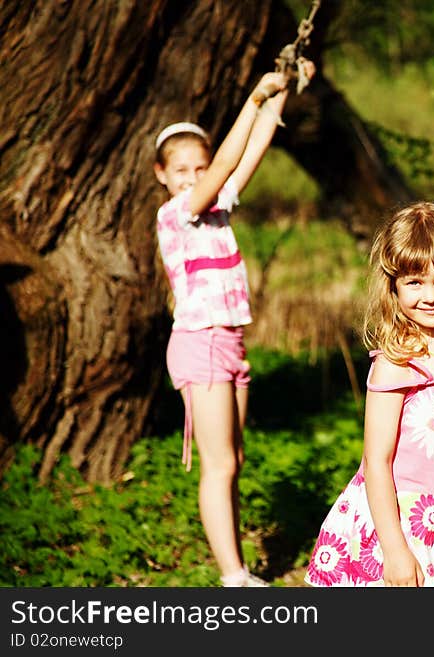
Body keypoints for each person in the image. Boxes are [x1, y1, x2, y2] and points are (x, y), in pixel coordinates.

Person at [153, 63, 315, 587]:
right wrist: (252, 97)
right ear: (162, 175)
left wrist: (281, 92)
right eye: (182, 171)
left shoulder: (218, 206)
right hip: (199, 342)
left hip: (230, 340)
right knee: (218, 464)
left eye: (200, 169)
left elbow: (252, 150)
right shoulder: (176, 213)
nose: (195, 178)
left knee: (234, 460)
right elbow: (226, 162)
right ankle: (233, 577)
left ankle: (239, 570)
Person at [305, 201, 434, 587]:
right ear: (394, 287)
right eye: (415, 283)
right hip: (388, 521)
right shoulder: (397, 360)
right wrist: (396, 549)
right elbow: (377, 461)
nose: (430, 296)